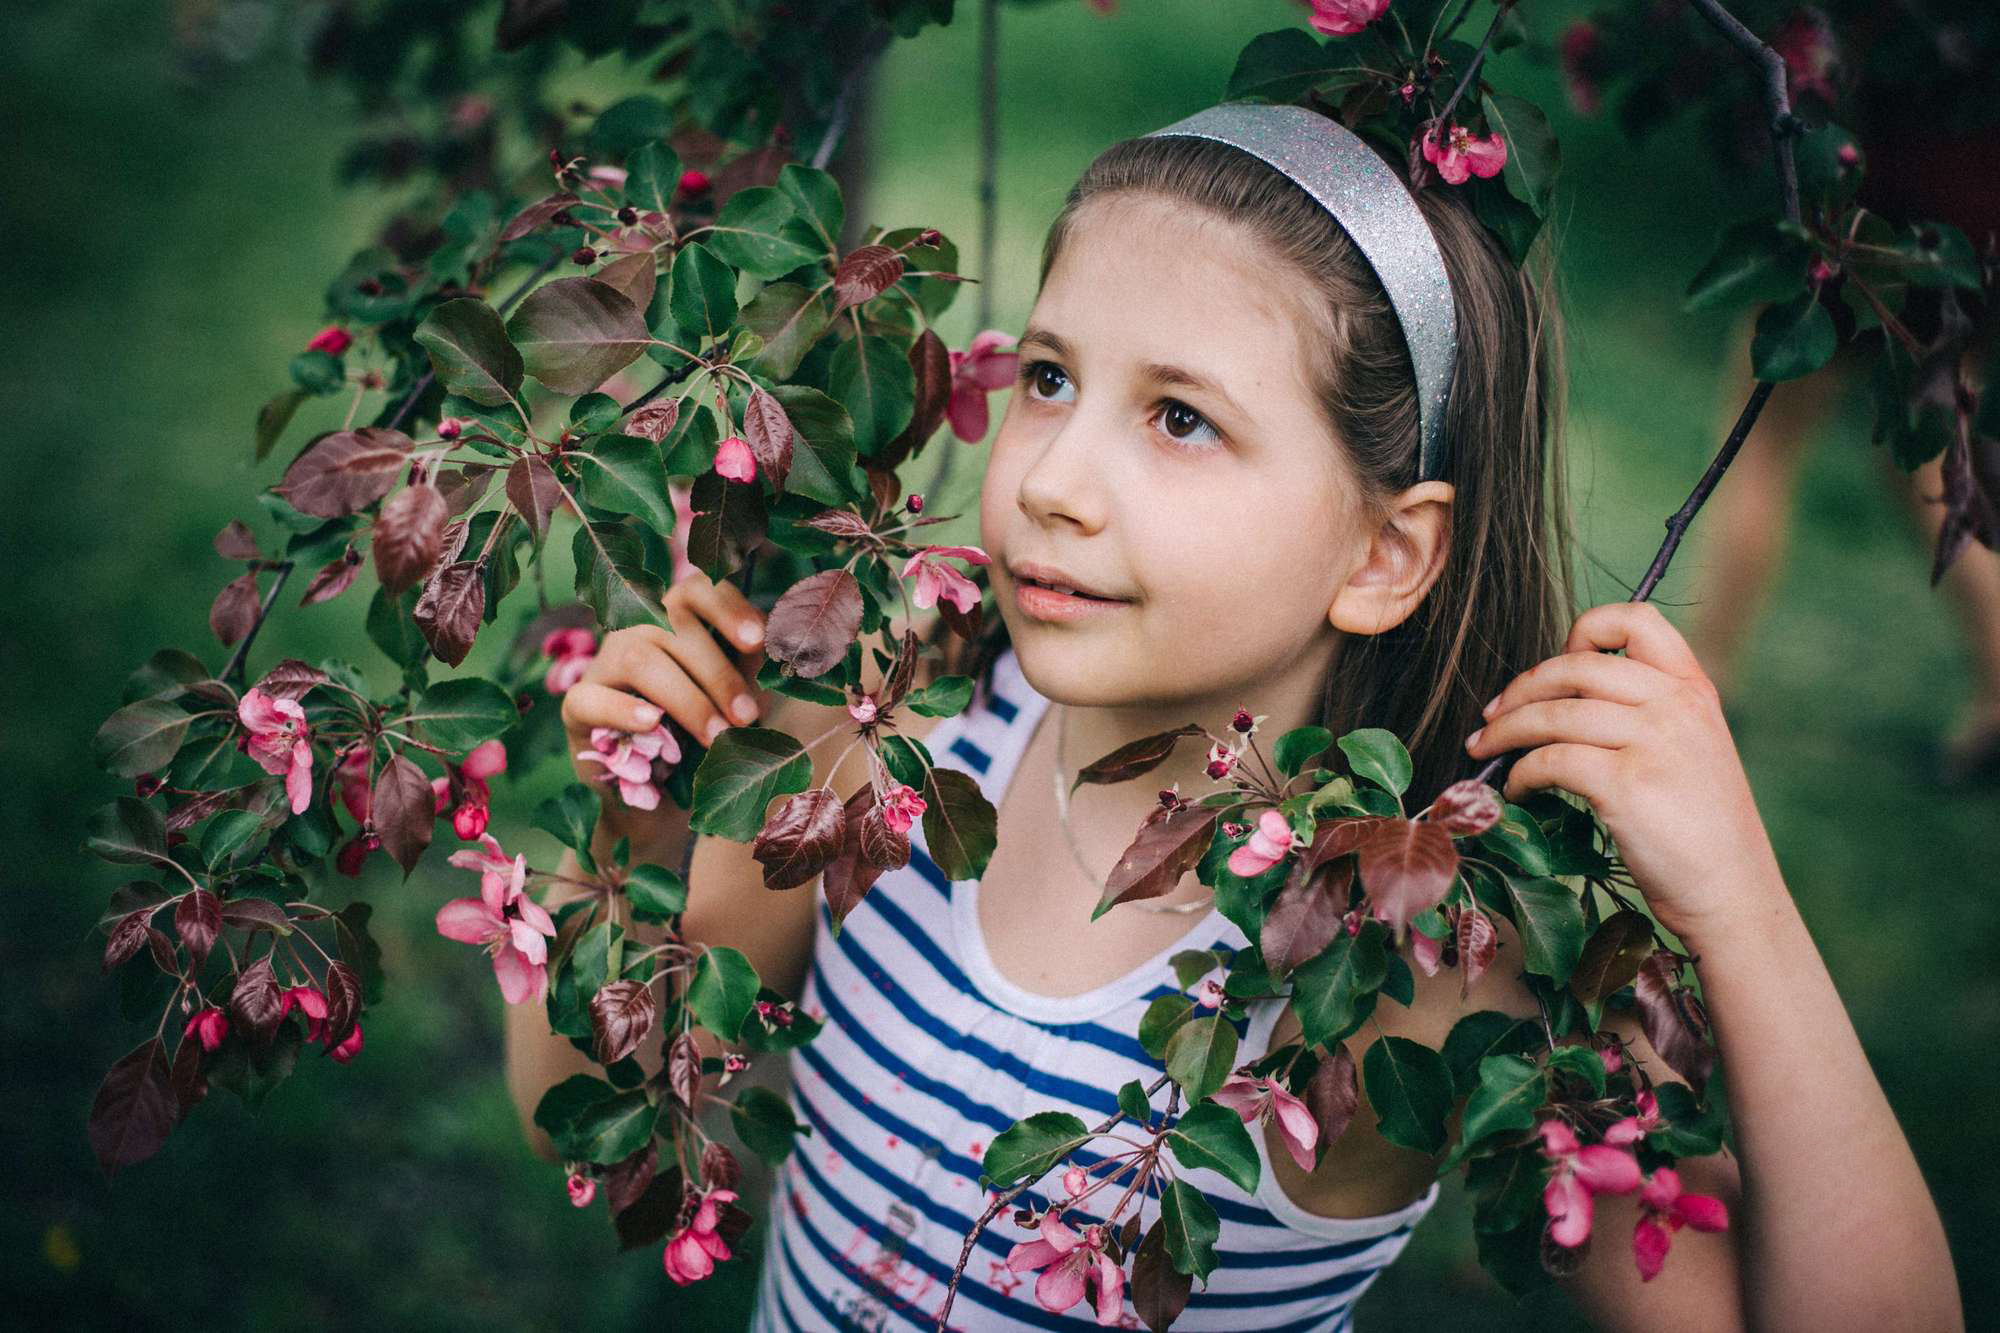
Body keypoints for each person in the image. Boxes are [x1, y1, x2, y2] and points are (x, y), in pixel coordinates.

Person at [506, 101, 1961, 1330]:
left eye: (1180, 417)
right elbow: (593, 1112)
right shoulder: (876, 759)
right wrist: (620, 850)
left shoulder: (1408, 977)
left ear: (1384, 554)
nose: (1058, 478)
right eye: (1055, 380)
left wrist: (1744, 908)